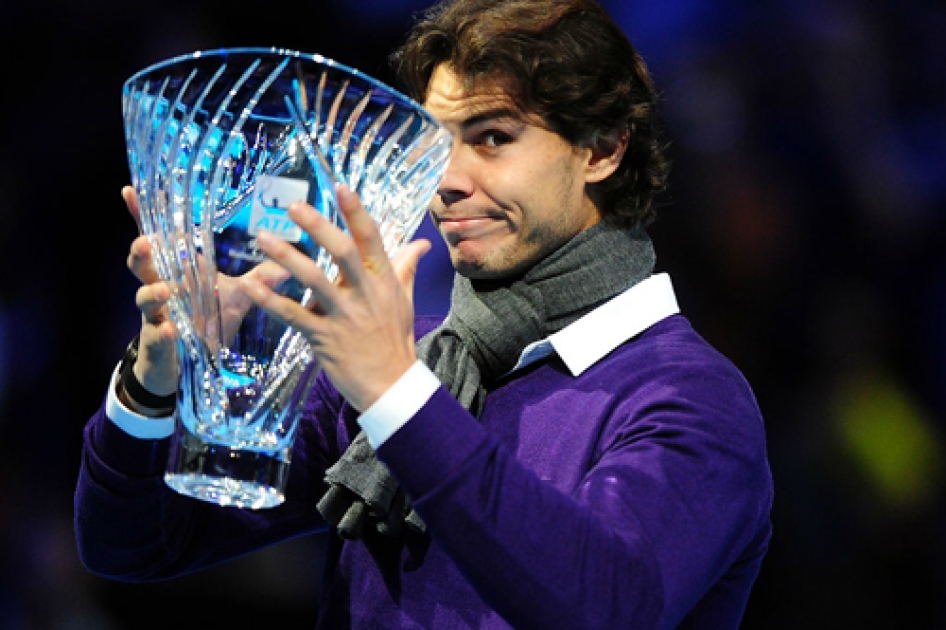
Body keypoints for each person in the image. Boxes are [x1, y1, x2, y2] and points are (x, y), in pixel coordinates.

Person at [74, 0, 774, 628]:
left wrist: (396, 393)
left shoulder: (695, 400)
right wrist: (156, 377)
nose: (447, 182)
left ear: (602, 148)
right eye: (436, 143)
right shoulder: (399, 374)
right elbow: (130, 545)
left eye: (493, 137)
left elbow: (604, 606)